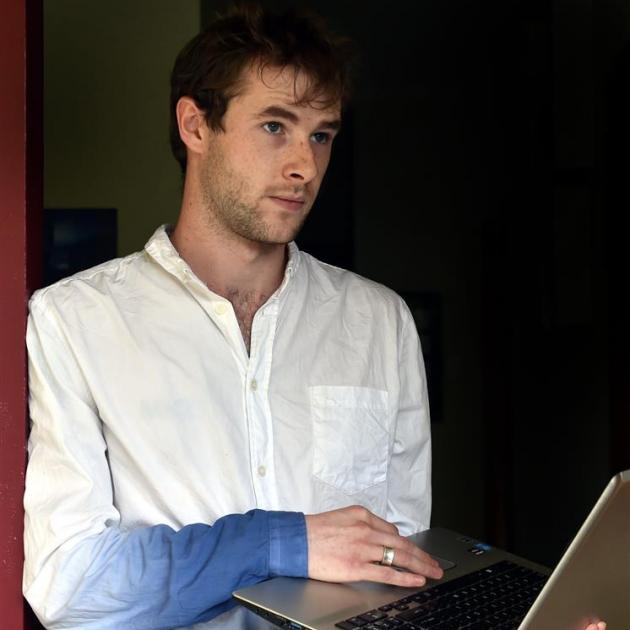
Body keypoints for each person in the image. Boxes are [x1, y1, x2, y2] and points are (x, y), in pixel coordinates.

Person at [23, 7, 440, 629]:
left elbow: (400, 568)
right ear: (195, 125)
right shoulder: (76, 321)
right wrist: (278, 543)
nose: (304, 165)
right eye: (275, 125)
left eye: (321, 135)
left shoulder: (380, 322)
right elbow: (72, 584)